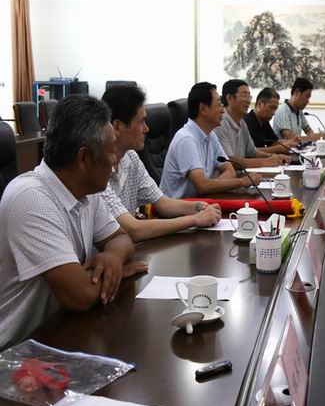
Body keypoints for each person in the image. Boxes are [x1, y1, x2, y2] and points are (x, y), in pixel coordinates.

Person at [0, 95, 146, 348]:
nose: (115, 159)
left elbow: (122, 239)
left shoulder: (86, 191)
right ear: (84, 158)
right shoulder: (30, 198)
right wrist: (120, 271)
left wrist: (112, 257)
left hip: (58, 336)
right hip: (14, 352)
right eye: (111, 150)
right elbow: (81, 296)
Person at [100, 84, 222, 242]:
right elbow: (133, 230)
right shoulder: (97, 170)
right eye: (141, 121)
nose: (147, 129)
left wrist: (199, 206)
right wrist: (195, 219)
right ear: (117, 127)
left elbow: (163, 204)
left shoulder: (131, 158)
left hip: (128, 249)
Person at [160, 82, 262, 199]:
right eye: (219, 105)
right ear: (203, 109)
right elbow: (202, 185)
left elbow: (230, 170)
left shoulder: (211, 135)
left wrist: (211, 187)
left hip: (200, 202)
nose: (223, 110)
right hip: (177, 207)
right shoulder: (186, 139)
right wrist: (242, 181)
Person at [216, 79, 292, 168]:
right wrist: (265, 162)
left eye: (249, 96)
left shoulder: (242, 123)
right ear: (230, 98)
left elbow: (253, 152)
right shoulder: (219, 123)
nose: (248, 101)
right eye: (244, 96)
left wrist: (273, 156)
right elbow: (229, 160)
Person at [244, 87, 301, 153]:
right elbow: (250, 152)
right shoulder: (247, 123)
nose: (273, 113)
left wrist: (290, 142)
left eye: (275, 109)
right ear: (260, 104)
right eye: (271, 108)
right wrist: (277, 149)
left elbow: (273, 142)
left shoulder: (264, 121)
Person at [272, 77, 323, 141]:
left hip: (297, 147)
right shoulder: (282, 111)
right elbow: (293, 139)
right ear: (297, 92)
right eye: (307, 96)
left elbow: (309, 131)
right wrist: (311, 138)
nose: (308, 101)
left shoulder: (299, 111)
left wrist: (311, 137)